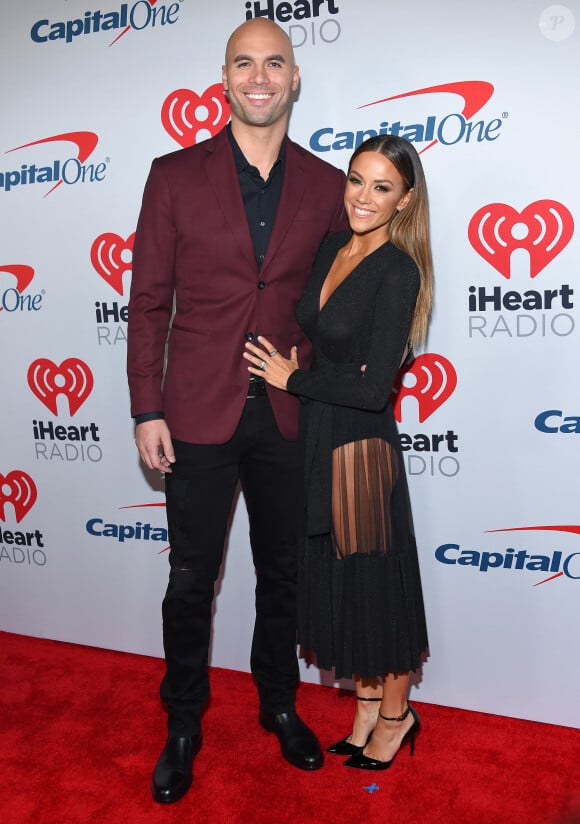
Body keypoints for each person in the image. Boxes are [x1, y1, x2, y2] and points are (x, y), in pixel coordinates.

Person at [126, 17, 347, 804]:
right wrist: (145, 408)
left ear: (294, 79)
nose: (260, 77)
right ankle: (183, 723)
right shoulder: (174, 174)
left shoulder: (328, 186)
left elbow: (333, 307)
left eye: (274, 63)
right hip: (193, 411)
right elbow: (148, 302)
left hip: (288, 414)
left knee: (283, 572)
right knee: (192, 578)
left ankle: (278, 703)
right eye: (244, 63)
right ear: (223, 79)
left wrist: (322, 384)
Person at [244, 134, 432, 771]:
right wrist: (305, 368)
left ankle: (396, 716)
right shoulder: (332, 248)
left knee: (375, 586)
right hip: (319, 436)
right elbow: (326, 343)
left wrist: (289, 378)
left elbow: (373, 385)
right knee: (339, 580)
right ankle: (362, 710)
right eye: (357, 180)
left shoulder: (399, 270)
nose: (363, 197)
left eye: (382, 187)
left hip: (360, 448)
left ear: (403, 201)